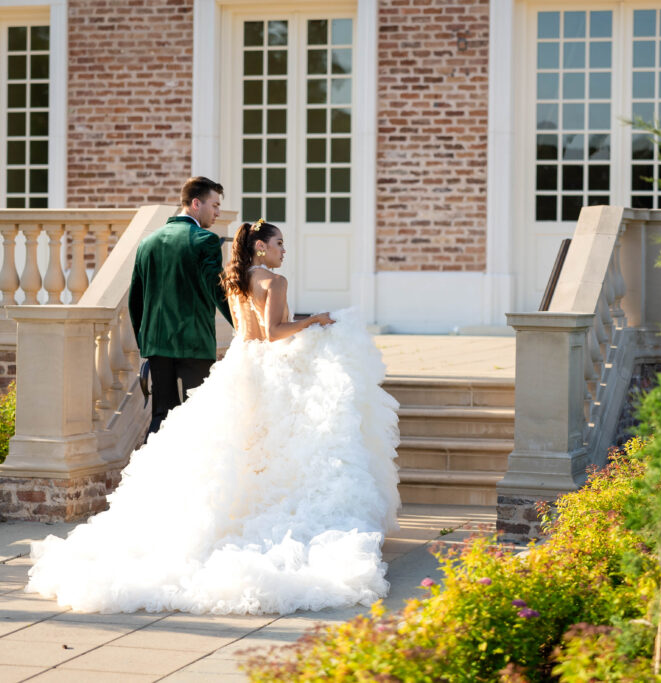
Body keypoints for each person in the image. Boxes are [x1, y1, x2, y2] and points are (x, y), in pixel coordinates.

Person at [25, 220, 401, 615]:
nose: (283, 250)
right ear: (260, 247)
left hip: (239, 364)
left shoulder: (234, 278)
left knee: (240, 445)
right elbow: (273, 333)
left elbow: (250, 330)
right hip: (268, 368)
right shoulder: (275, 281)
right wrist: (313, 321)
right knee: (272, 444)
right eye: (279, 243)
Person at [128, 176, 233, 437]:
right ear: (196, 203)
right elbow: (217, 290)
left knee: (161, 415)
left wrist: (145, 341)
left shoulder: (147, 243)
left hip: (157, 344)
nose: (218, 212)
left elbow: (135, 299)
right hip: (194, 343)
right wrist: (241, 326)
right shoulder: (205, 240)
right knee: (196, 415)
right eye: (215, 205)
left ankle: (150, 474)